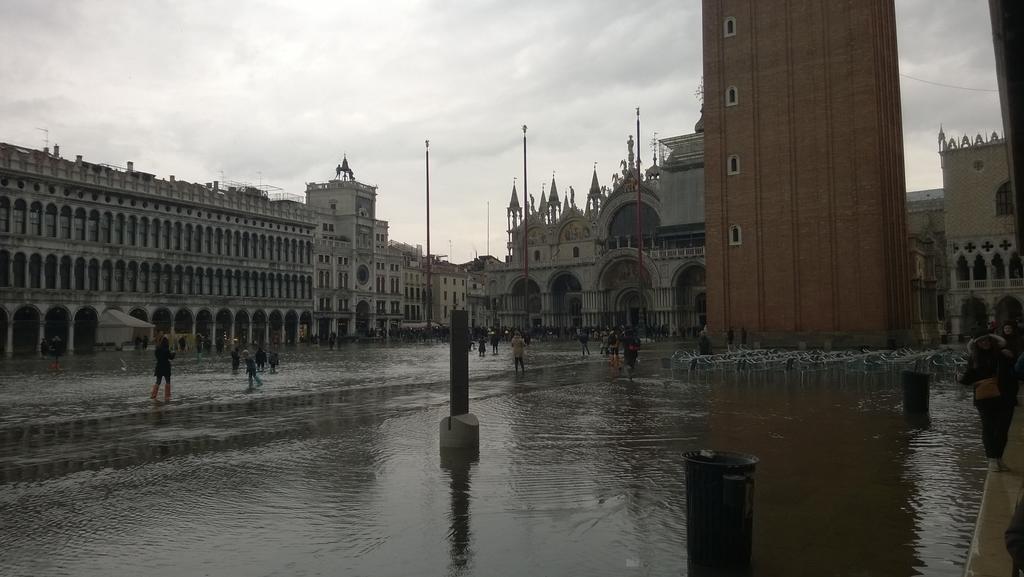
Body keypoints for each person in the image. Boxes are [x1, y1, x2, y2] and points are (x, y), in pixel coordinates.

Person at [961, 331, 1017, 472]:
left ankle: (999, 458)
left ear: (992, 340)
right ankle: (992, 459)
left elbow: (1014, 372)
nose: (985, 343)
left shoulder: (1002, 354)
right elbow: (968, 379)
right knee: (989, 428)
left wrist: (1012, 357)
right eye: (981, 341)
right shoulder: (974, 358)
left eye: (987, 340)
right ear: (976, 344)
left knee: (1003, 429)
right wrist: (962, 377)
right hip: (985, 399)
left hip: (1005, 396)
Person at [151, 336, 175, 401]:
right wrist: (173, 353)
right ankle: (167, 396)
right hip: (166, 367)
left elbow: (157, 356)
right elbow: (171, 357)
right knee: (168, 381)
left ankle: (153, 395)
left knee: (158, 381)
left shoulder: (157, 350)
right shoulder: (167, 350)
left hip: (159, 366)